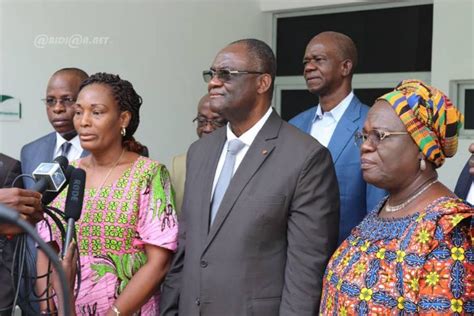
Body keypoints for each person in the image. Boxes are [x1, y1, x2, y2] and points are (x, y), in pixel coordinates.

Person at [160, 39, 340, 315]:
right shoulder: (200, 152)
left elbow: (305, 272)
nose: (213, 83)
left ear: (262, 83)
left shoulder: (305, 158)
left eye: (226, 74)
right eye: (212, 74)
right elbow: (185, 250)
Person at [320, 80, 473, 314]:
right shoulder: (386, 207)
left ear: (422, 147)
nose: (365, 147)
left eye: (380, 136)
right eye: (364, 135)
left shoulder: (447, 231)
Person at [36, 73, 178, 315]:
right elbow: (45, 245)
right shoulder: (68, 173)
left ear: (123, 118)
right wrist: (46, 306)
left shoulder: (149, 174)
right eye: (79, 112)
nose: (83, 121)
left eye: (97, 112)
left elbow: (159, 263)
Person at [289, 31, 386, 244]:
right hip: (294, 260)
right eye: (306, 61)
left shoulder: (371, 126)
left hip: (345, 260)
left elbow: (376, 209)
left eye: (319, 60)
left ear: (345, 67)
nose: (308, 67)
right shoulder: (294, 126)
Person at [21, 68, 89, 188]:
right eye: (50, 101)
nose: (57, 108)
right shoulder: (30, 151)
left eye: (67, 100)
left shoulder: (106, 150)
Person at [169, 94, 226, 212]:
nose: (208, 128)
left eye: (217, 122)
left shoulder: (241, 162)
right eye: (202, 121)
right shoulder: (179, 165)